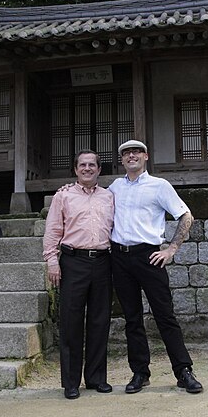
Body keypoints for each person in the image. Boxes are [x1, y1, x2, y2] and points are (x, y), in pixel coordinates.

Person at [109, 139, 203, 394]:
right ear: (122, 159)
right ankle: (140, 372)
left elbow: (185, 215)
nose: (131, 155)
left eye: (136, 151)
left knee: (165, 315)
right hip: (119, 257)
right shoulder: (115, 187)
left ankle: (183, 371)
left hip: (149, 255)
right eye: (126, 152)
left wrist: (171, 249)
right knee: (132, 318)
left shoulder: (159, 186)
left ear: (145, 156)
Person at [43, 149, 115, 400]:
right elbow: (52, 230)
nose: (87, 168)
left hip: (103, 262)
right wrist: (52, 261)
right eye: (82, 165)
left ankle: (96, 378)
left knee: (99, 320)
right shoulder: (63, 196)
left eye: (92, 165)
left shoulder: (109, 197)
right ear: (75, 170)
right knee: (71, 322)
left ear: (99, 169)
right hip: (73, 262)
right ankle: (71, 382)